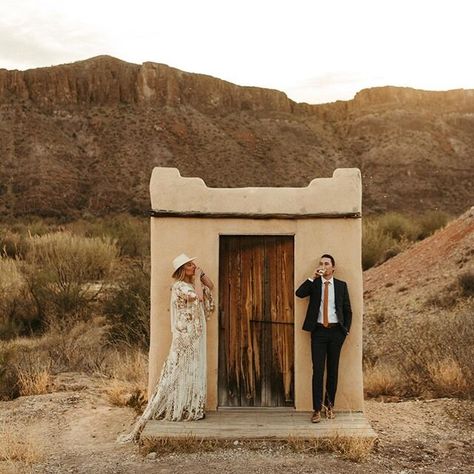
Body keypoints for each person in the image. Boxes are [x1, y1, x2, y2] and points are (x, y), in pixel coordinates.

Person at [118, 253, 214, 442]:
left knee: (194, 368)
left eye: (194, 265)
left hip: (196, 332)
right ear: (182, 271)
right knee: (179, 368)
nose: (193, 268)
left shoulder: (192, 283)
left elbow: (210, 287)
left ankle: (193, 407)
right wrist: (196, 280)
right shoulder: (179, 287)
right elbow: (199, 298)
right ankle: (178, 407)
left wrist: (201, 276)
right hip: (185, 334)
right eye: (190, 266)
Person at [295, 254, 352, 423]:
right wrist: (312, 277)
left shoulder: (341, 286)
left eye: (326, 263)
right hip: (318, 332)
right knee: (318, 371)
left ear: (333, 268)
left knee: (333, 371)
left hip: (336, 333)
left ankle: (330, 406)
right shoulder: (315, 284)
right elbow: (299, 293)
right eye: (321, 263)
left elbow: (348, 310)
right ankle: (317, 409)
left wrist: (345, 331)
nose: (323, 266)